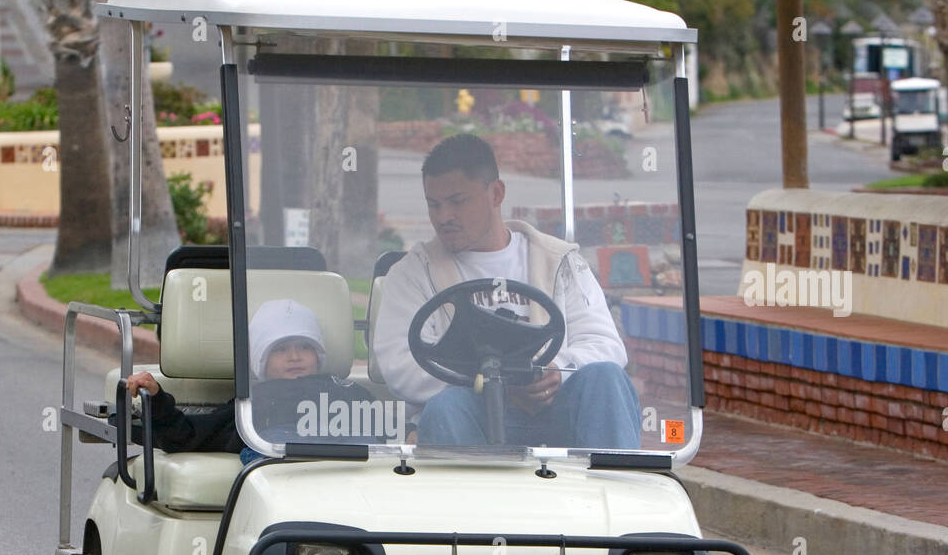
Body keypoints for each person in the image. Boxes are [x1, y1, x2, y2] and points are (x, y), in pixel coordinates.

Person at [372, 133, 642, 450]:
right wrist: (495, 386)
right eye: (435, 204)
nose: (444, 217)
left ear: (496, 193)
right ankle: (472, 499)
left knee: (605, 378)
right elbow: (402, 366)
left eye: (457, 202)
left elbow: (605, 343)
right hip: (473, 416)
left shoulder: (560, 261)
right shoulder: (413, 272)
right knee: (445, 407)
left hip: (558, 413)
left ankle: (609, 491)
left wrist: (557, 370)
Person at [124, 299, 385, 464]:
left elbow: (387, 427)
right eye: (280, 349)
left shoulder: (347, 390)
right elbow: (188, 434)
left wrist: (410, 430)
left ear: (318, 356)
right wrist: (157, 398)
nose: (294, 356)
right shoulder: (254, 401)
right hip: (289, 488)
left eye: (304, 347)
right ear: (261, 359)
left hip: (353, 483)